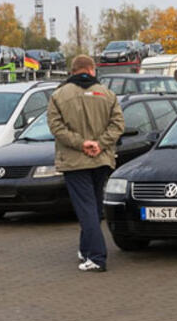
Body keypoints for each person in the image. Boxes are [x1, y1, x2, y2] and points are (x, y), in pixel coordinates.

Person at [47, 55, 125, 272]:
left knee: (86, 210)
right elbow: (118, 124)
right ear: (92, 70)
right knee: (93, 208)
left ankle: (97, 257)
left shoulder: (58, 96)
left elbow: (56, 128)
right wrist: (100, 144)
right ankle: (85, 248)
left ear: (72, 71)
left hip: (75, 162)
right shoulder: (107, 94)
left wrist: (82, 144)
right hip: (101, 160)